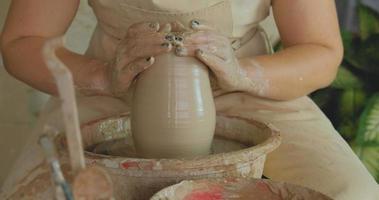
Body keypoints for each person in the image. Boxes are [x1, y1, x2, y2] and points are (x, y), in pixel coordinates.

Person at [1, 0, 378, 199]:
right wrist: (100, 75)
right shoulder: (104, 78)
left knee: (352, 195)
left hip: (248, 85)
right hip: (111, 86)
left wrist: (245, 75)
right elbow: (23, 42)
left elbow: (321, 49)